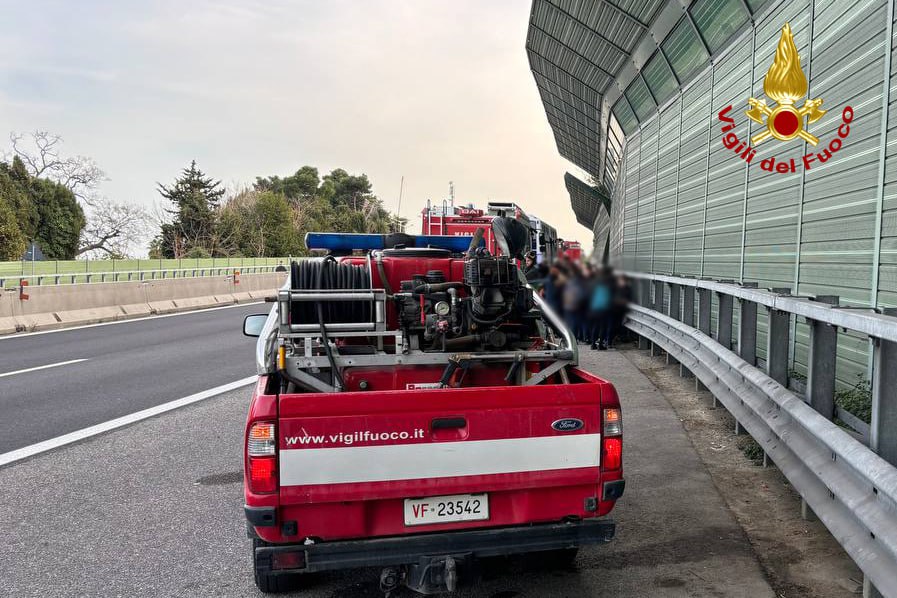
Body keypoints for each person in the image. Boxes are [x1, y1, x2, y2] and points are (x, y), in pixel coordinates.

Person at [588, 267, 613, 350]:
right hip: (603, 307)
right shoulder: (608, 282)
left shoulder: (594, 281)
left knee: (595, 326)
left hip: (594, 306)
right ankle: (601, 344)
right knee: (603, 326)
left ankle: (593, 344)